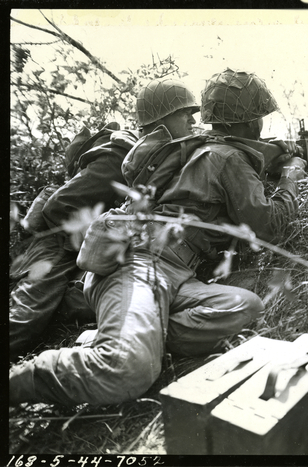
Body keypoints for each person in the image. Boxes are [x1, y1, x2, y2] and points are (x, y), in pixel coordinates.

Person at [9, 68, 306, 407]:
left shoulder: (202, 149)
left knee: (244, 307)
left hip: (172, 272)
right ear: (253, 121)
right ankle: (30, 376)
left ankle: (131, 332)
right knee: (124, 371)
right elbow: (271, 225)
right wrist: (291, 175)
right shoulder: (225, 158)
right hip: (137, 266)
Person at [9, 78, 200, 363]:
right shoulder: (118, 157)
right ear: (161, 119)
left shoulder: (159, 153)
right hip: (57, 245)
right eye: (184, 113)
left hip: (96, 249)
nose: (192, 119)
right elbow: (58, 208)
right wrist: (103, 230)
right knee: (25, 318)